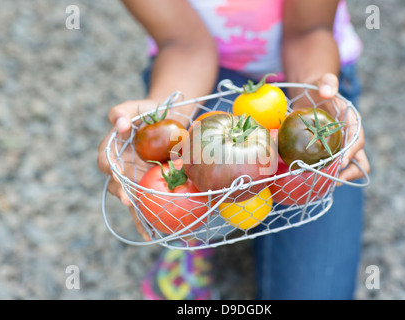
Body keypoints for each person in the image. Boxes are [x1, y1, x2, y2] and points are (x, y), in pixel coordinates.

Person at [97, 0, 370, 300]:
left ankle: (214, 214)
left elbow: (309, 31)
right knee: (206, 158)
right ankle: (198, 227)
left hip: (307, 76)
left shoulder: (310, 94)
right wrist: (166, 119)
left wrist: (315, 99)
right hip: (198, 84)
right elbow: (184, 44)